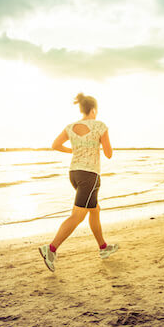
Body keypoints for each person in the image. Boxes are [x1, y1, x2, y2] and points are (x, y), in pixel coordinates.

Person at [38, 93, 119, 272]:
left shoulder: (70, 127)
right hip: (90, 176)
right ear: (94, 110)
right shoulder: (100, 125)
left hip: (74, 174)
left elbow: (55, 145)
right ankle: (50, 249)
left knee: (95, 210)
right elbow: (109, 153)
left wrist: (74, 150)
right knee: (78, 216)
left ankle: (103, 248)